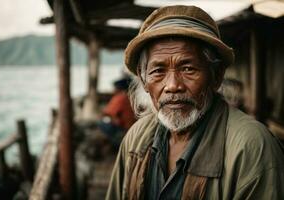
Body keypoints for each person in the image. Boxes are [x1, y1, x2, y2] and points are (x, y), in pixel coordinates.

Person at [106, 5, 284, 200]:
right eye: (158, 71)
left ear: (216, 77)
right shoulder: (136, 138)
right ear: (144, 81)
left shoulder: (251, 146)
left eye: (188, 69)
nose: (173, 86)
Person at [98, 76, 136, 148]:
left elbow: (106, 112)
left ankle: (114, 143)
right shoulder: (133, 97)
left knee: (101, 123)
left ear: (118, 88)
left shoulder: (120, 97)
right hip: (133, 127)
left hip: (125, 129)